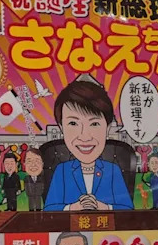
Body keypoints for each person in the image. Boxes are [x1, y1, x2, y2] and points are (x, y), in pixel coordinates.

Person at [44, 75, 133, 211]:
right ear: (61, 128)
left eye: (95, 123)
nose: (85, 136)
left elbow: (127, 208)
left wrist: (104, 207)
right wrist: (73, 207)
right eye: (73, 123)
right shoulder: (62, 171)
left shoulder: (112, 170)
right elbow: (49, 209)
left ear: (108, 128)